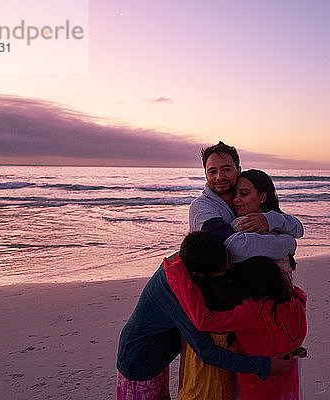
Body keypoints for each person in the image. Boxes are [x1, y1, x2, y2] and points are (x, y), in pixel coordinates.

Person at [179, 142, 303, 399]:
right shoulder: (204, 208)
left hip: (252, 308)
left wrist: (273, 220)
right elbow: (235, 249)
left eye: (226, 169)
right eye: (211, 171)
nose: (219, 177)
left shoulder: (242, 208)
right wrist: (287, 244)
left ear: (238, 169)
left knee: (253, 380)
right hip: (217, 304)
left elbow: (296, 225)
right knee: (213, 385)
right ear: (205, 174)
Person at [116, 231, 292, 400]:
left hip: (153, 353)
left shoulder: (189, 258)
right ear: (201, 275)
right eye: (222, 270)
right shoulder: (181, 298)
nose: (228, 267)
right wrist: (266, 366)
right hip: (138, 360)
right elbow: (207, 352)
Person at [165, 255, 307, 399]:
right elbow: (297, 292)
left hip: (257, 390)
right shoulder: (297, 301)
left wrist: (175, 273)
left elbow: (204, 321)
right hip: (288, 388)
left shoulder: (253, 312)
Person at [232, 169, 303, 276]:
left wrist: (269, 220)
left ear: (262, 197)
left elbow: (299, 229)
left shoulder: (245, 223)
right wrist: (290, 242)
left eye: (244, 193)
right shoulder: (280, 225)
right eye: (234, 194)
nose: (236, 199)